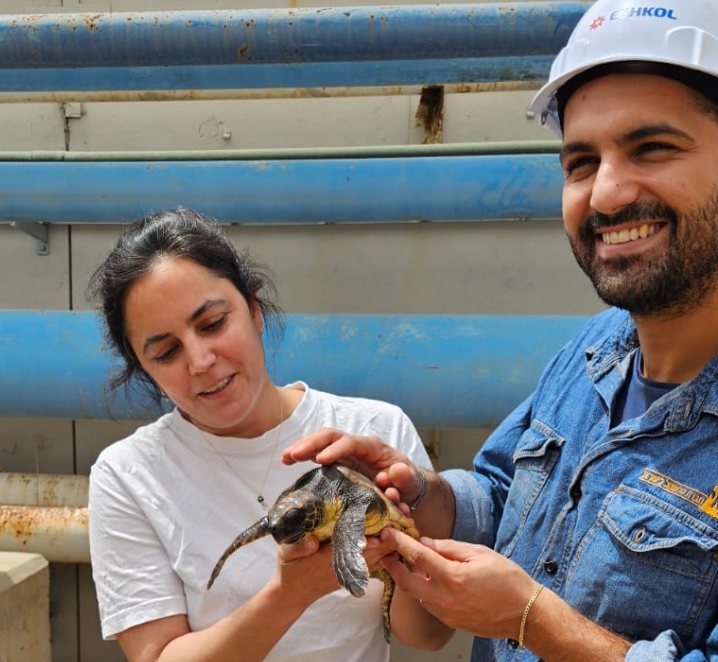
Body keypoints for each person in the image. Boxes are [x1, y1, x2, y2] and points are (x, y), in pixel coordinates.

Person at [281, 0, 718, 660]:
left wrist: (532, 619)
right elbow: (504, 497)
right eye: (581, 162)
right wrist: (423, 496)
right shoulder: (596, 349)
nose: (606, 194)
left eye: (652, 148)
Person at [86, 207, 451, 662]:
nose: (201, 361)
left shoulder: (374, 431)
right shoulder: (128, 475)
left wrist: (398, 542)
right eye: (166, 352)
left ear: (254, 311)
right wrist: (290, 593)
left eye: (213, 324)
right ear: (145, 369)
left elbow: (429, 635)